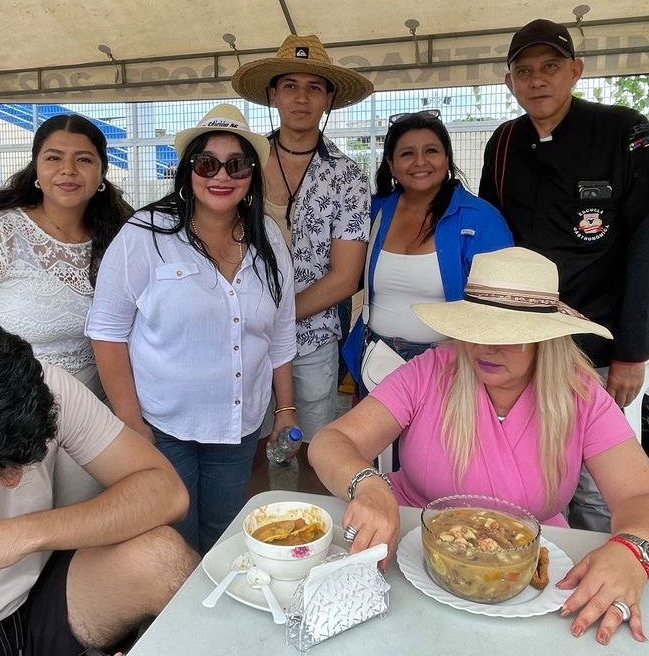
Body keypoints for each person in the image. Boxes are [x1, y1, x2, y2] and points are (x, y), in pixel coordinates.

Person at [309, 248, 649, 646]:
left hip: (526, 583)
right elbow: (332, 442)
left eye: (507, 336)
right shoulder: (431, 372)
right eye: (477, 329)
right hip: (408, 556)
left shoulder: (580, 397)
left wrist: (633, 552)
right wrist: (369, 485)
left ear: (544, 338)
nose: (484, 348)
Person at [478, 19, 649, 531]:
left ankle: (604, 564)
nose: (537, 80)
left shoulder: (622, 131)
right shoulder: (503, 143)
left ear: (575, 71)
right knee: (530, 467)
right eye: (524, 71)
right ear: (510, 82)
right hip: (523, 340)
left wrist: (633, 351)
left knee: (596, 481)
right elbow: (495, 242)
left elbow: (647, 242)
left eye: (550, 67)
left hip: (594, 341)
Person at [0, 321, 198, 655]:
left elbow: (167, 493)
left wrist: (21, 534)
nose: (14, 482)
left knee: (163, 557)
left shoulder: (39, 389)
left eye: (26, 463)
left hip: (40, 595)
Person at [86, 104, 296, 553]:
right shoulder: (146, 233)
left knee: (223, 538)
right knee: (171, 539)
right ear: (188, 171)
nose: (221, 175)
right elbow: (106, 331)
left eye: (237, 165)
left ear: (252, 175)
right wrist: (130, 420)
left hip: (238, 427)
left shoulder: (269, 239)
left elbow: (280, 334)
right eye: (207, 163)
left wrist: (286, 410)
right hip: (163, 427)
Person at [0, 114, 132, 505]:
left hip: (91, 424)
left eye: (84, 159)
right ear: (36, 169)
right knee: (18, 530)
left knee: (79, 527)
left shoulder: (122, 235)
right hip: (7, 420)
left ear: (102, 172)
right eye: (54, 157)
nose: (68, 169)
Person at [231, 34, 372, 483]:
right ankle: (252, 521)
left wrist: (276, 317)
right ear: (273, 94)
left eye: (314, 88)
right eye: (290, 85)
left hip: (312, 338)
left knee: (313, 449)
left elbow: (345, 277)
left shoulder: (347, 176)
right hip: (241, 336)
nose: (301, 97)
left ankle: (309, 521)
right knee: (245, 447)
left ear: (328, 99)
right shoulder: (241, 164)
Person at [343, 109, 514, 394]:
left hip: (450, 368)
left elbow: (501, 307)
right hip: (377, 364)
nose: (420, 162)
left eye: (431, 151)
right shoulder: (373, 212)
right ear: (391, 164)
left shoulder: (479, 219)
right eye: (407, 154)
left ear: (447, 158)